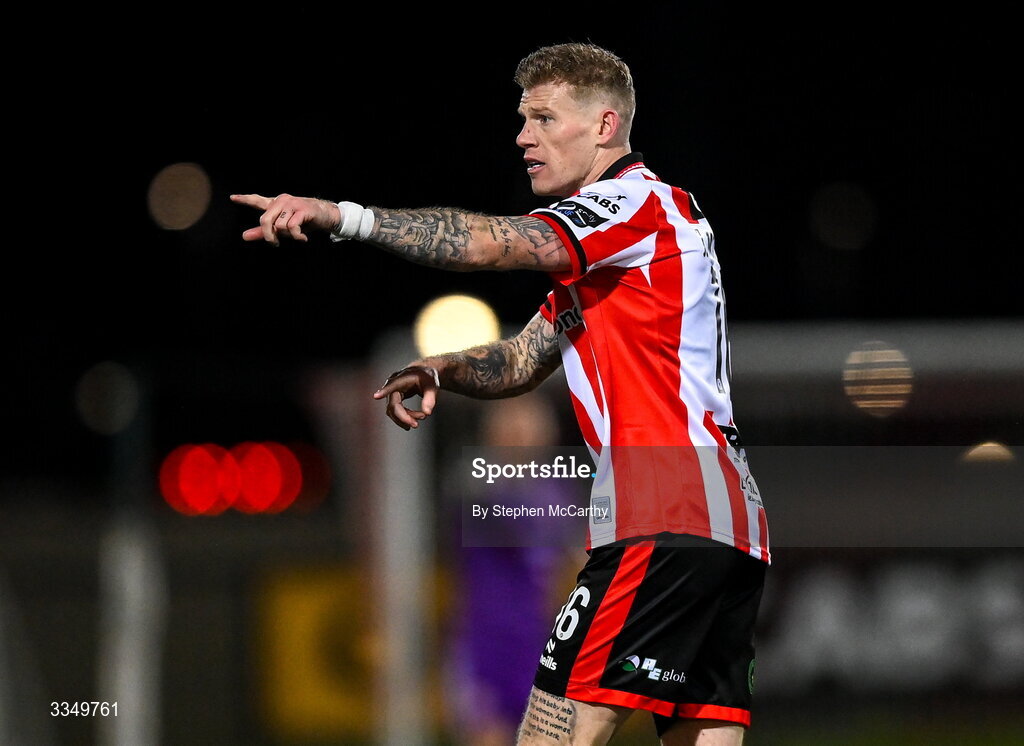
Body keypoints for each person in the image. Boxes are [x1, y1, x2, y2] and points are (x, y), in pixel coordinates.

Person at [233, 42, 769, 746]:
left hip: (663, 506)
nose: (523, 137)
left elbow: (494, 244)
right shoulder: (622, 249)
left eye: (544, 119)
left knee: (547, 735)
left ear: (605, 125)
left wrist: (346, 217)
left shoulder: (630, 204)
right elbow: (523, 357)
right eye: (522, 119)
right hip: (727, 519)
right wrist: (444, 369)